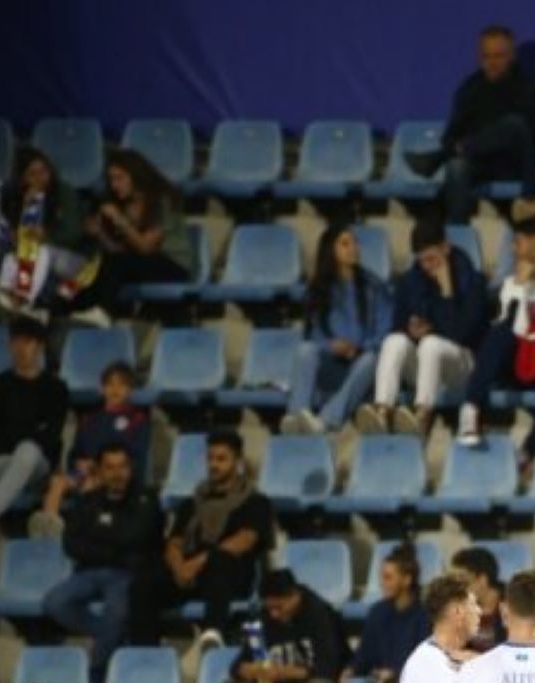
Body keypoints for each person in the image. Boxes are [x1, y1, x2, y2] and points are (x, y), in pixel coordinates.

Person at [457, 218, 535, 471]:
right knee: (499, 333)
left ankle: (528, 452)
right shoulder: (512, 284)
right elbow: (509, 330)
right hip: (519, 361)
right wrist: (520, 287)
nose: (513, 250)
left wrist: (529, 342)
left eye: (518, 242)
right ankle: (470, 409)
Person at [136, 428, 273, 647]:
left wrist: (197, 563)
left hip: (231, 574)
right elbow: (175, 541)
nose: (214, 464)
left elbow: (245, 539)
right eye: (210, 458)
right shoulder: (193, 502)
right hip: (190, 573)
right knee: (144, 579)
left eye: (221, 459)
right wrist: (179, 566)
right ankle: (143, 645)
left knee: (220, 560)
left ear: (237, 461)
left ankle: (213, 632)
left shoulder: (255, 501)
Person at [41, 444, 162, 683]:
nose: (117, 473)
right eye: (110, 467)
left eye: (122, 466)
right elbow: (71, 543)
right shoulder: (88, 501)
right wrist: (114, 547)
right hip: (89, 572)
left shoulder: (146, 498)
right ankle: (111, 634)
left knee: (116, 612)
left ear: (131, 468)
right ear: (100, 471)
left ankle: (95, 674)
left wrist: (99, 538)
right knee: (54, 602)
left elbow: (139, 536)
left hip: (127, 574)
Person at [362, 216, 488, 439]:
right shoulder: (412, 281)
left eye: (432, 258)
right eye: (422, 261)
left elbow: (461, 334)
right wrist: (409, 330)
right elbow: (397, 324)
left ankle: (422, 416)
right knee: (394, 341)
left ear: (445, 248)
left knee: (431, 344)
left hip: (461, 365)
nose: (427, 266)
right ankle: (382, 411)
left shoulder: (473, 281)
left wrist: (447, 290)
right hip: (423, 364)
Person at [412, 25, 535, 224]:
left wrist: (464, 145)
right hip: (482, 163)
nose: (492, 62)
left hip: (518, 163)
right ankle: (457, 231)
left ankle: (441, 157)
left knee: (514, 125)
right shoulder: (471, 88)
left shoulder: (531, 86)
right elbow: (451, 134)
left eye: (499, 56)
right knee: (457, 166)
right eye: (486, 56)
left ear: (511, 56)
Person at [283, 224, 392, 434]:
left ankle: (325, 421)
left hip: (361, 369)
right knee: (305, 350)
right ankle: (296, 418)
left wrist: (358, 349)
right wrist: (331, 346)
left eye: (355, 243)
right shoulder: (318, 290)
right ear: (330, 250)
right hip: (331, 365)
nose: (353, 248)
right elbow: (313, 335)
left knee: (371, 359)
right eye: (345, 244)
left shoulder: (374, 286)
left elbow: (385, 331)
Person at [329, 542, 431, 683]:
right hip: (377, 681)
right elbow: (364, 654)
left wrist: (395, 675)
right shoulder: (378, 612)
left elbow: (425, 661)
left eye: (388, 577)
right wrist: (351, 670)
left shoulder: (424, 616)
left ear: (407, 579)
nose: (382, 583)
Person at [32, 360, 151, 538]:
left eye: (121, 384)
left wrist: (100, 467)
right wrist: (78, 464)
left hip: (114, 474)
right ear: (102, 389)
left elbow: (138, 456)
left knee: (89, 485)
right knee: (57, 482)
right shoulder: (90, 419)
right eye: (110, 384)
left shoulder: (137, 419)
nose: (115, 389)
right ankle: (49, 530)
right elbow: (75, 452)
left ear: (130, 390)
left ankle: (86, 532)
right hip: (85, 472)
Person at [0, 317, 69, 546]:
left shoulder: (55, 389)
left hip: (36, 467)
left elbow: (50, 437)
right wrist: (28, 431)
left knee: (28, 450)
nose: (21, 348)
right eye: (16, 342)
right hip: (0, 461)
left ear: (39, 346)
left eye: (28, 342)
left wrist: (18, 435)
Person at [75, 150, 191, 313]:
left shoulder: (163, 200)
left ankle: (102, 312)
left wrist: (119, 219)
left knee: (116, 262)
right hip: (136, 263)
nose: (114, 185)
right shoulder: (123, 204)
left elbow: (146, 248)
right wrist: (99, 233)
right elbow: (118, 251)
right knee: (94, 263)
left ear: (136, 176)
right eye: (111, 179)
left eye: (120, 178)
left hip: (172, 265)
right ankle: (72, 310)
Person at [0, 148, 88, 317]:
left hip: (71, 259)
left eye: (44, 171)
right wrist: (27, 207)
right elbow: (13, 235)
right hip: (28, 255)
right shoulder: (14, 196)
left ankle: (23, 298)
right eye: (33, 173)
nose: (40, 177)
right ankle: (5, 294)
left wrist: (47, 236)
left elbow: (73, 235)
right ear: (23, 178)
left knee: (40, 251)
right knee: (13, 256)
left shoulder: (63, 192)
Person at [451, 545, 507, 653]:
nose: (458, 589)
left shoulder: (513, 607)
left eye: (463, 583)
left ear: (482, 580)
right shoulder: (460, 609)